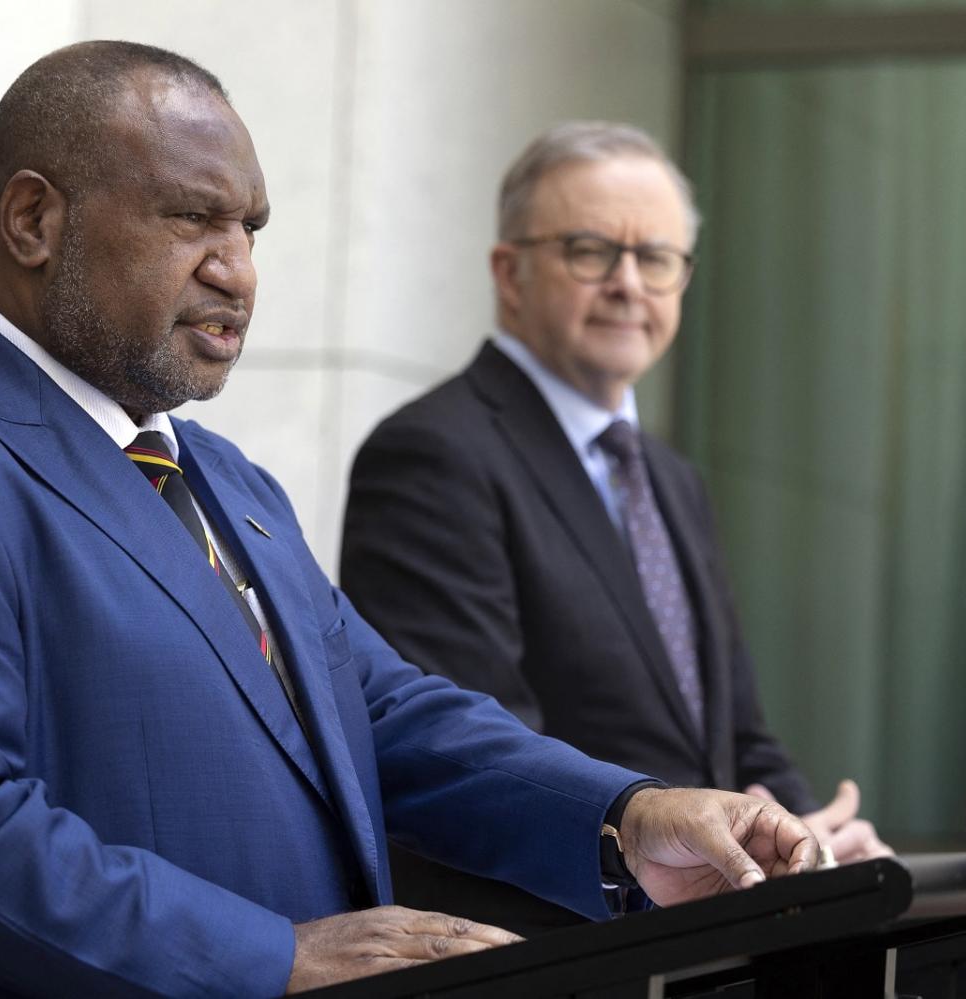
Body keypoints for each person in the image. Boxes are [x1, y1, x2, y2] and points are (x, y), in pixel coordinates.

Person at [0, 51, 818, 998]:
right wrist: (271, 958)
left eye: (249, 228)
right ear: (34, 220)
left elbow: (385, 715)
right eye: (190, 218)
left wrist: (626, 816)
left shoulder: (219, 474)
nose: (239, 271)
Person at [341, 121, 886, 926]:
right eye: (592, 250)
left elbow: (735, 738)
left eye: (656, 257)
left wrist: (811, 845)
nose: (629, 283)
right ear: (510, 272)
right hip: (551, 949)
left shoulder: (669, 477)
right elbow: (471, 756)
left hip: (703, 940)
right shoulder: (433, 453)